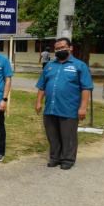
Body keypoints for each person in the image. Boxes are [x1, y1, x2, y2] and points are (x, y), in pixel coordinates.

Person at [35, 37, 93, 170]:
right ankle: (55, 157)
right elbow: (42, 86)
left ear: (70, 48)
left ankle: (68, 159)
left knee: (68, 135)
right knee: (52, 134)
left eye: (62, 47)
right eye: (57, 48)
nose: (60, 50)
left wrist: (83, 107)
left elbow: (86, 88)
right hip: (50, 108)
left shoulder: (79, 66)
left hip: (69, 108)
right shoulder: (49, 66)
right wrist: (38, 101)